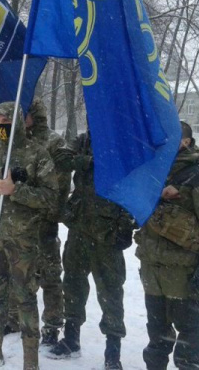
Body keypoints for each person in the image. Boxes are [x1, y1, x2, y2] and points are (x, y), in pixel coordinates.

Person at [0, 102, 59, 370]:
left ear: (17, 121)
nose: (0, 124)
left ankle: (31, 360)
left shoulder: (37, 155)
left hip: (23, 241)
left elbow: (52, 199)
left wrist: (17, 190)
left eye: (6, 119)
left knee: (25, 298)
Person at [135, 122, 199, 370]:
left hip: (183, 274)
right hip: (152, 271)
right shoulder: (152, 175)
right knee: (157, 335)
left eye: (169, 139)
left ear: (185, 142)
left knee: (189, 335)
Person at [46, 131, 136, 369]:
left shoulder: (124, 139)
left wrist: (127, 223)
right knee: (73, 284)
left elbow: (136, 180)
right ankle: (72, 339)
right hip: (79, 225)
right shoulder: (84, 140)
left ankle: (112, 351)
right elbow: (61, 159)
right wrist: (88, 161)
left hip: (109, 230)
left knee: (110, 290)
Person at [22, 98, 69, 347]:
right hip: (20, 220)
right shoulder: (17, 139)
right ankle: (19, 319)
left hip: (44, 219)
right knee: (21, 273)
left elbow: (60, 184)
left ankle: (52, 324)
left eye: (25, 112)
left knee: (50, 274)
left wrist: (51, 213)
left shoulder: (53, 141)